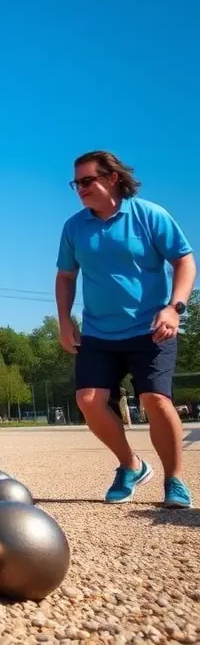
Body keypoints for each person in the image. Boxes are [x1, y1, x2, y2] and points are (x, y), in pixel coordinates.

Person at [56, 150, 194, 509]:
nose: (80, 189)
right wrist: (64, 320)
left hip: (151, 328)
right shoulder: (74, 227)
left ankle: (174, 479)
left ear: (112, 177)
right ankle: (130, 465)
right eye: (76, 183)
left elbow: (184, 261)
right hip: (99, 333)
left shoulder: (149, 215)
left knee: (155, 400)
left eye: (87, 181)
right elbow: (66, 276)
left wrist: (174, 308)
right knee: (88, 401)